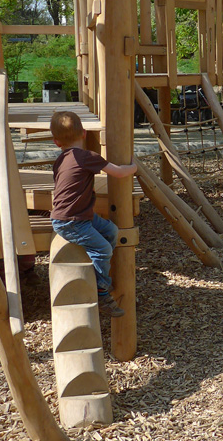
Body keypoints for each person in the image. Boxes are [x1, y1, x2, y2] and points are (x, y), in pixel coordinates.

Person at [49, 110, 138, 317]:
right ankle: (100, 293)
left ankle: (100, 276)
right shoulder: (87, 157)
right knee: (103, 249)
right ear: (84, 134)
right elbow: (119, 172)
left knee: (110, 230)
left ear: (56, 142)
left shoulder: (61, 159)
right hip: (71, 222)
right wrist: (134, 166)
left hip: (78, 216)